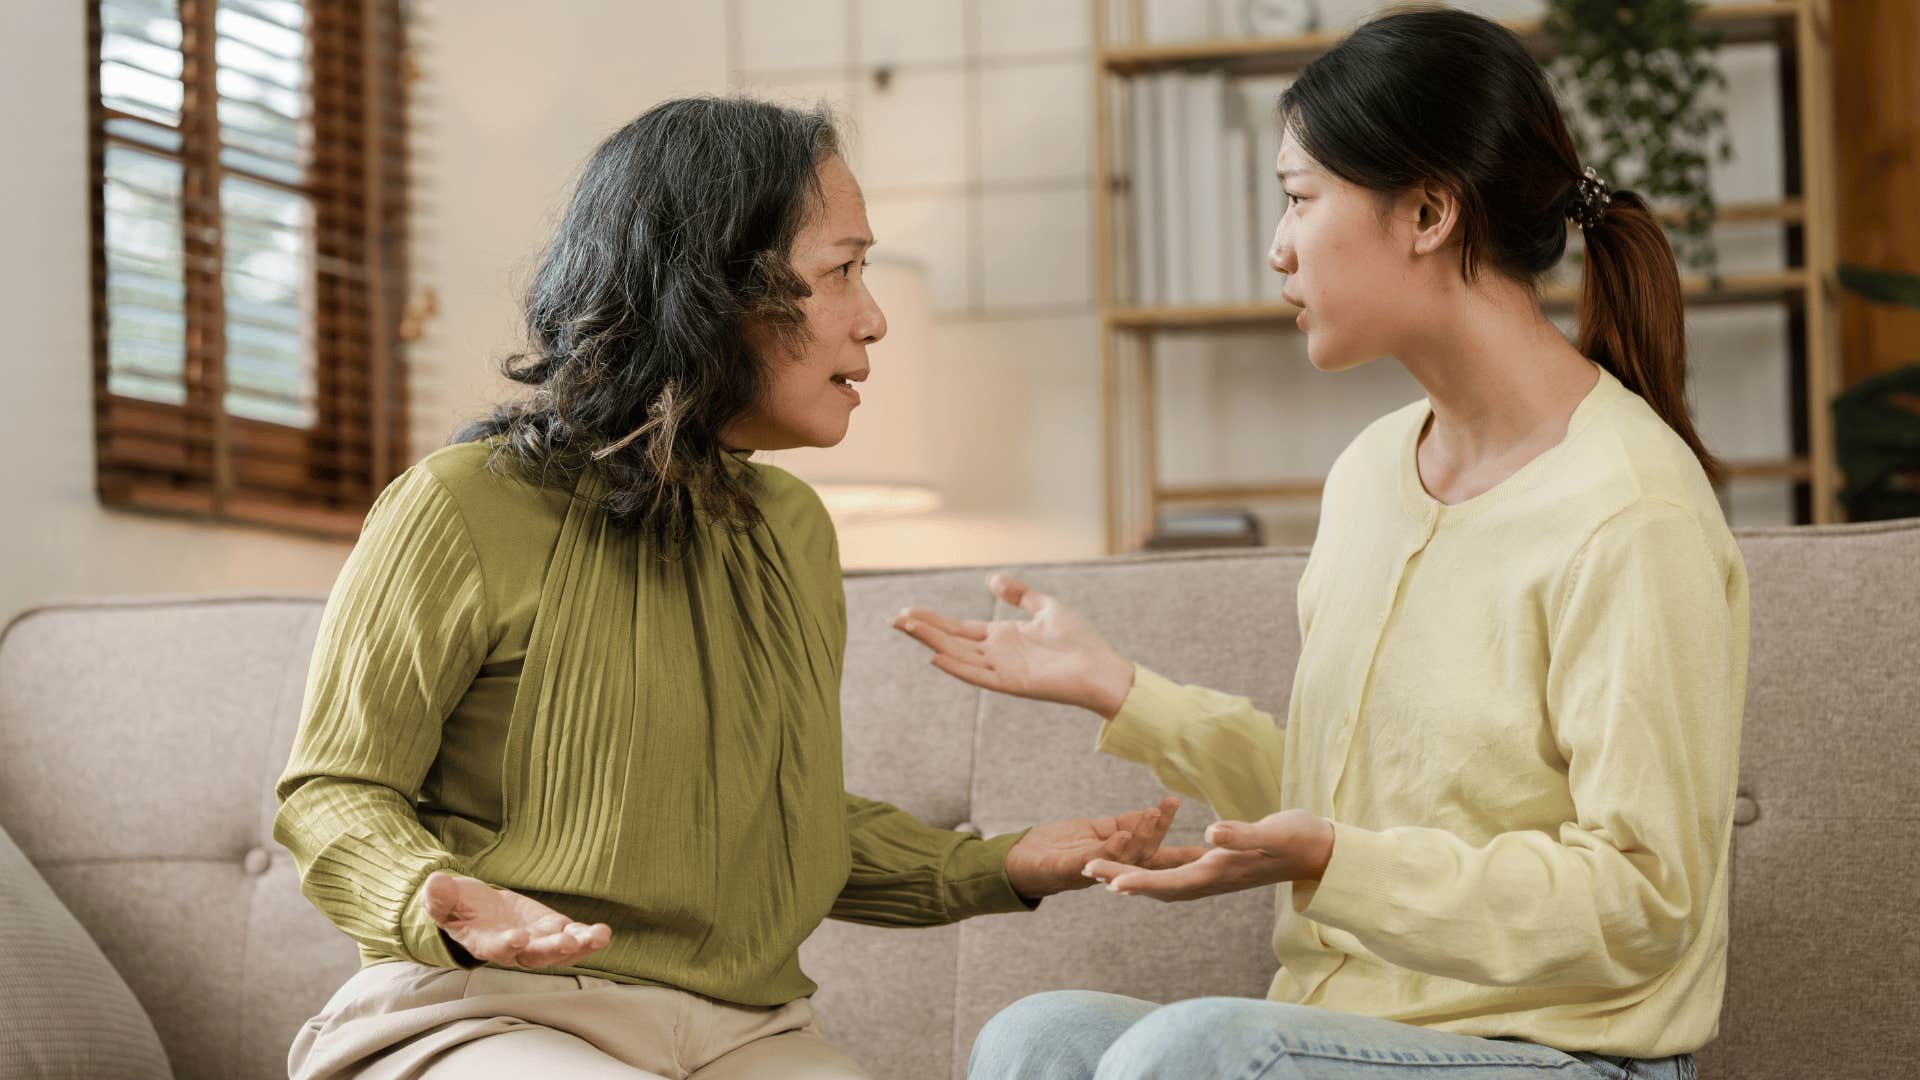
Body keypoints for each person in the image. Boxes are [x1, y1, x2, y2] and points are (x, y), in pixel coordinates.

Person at [894, 9, 1741, 1079]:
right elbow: (1338, 807)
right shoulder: (1371, 476)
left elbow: (1644, 902)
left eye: (1300, 198)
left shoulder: (1629, 511)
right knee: (1035, 1039)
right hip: (1351, 1033)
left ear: (1429, 210)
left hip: (1560, 1055)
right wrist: (1120, 690)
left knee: (1192, 1052)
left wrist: (1340, 864)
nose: (1276, 246)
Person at [275, 96, 1194, 1080]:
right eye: (841, 270)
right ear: (715, 288)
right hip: (489, 1014)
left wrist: (1001, 864)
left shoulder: (790, 531)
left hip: (748, 1035)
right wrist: (426, 896)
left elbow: (775, 818)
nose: (873, 318)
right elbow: (336, 789)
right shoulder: (460, 507)